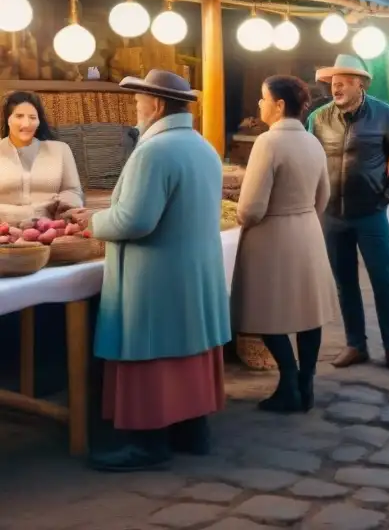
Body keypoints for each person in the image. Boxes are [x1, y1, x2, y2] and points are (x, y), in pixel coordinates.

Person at [82, 70, 230, 472]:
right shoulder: (203, 146)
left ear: (158, 105)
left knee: (153, 353)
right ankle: (191, 432)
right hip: (193, 270)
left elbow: (135, 221)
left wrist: (93, 223)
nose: (135, 110)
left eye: (138, 102)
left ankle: (149, 444)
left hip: (156, 276)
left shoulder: (153, 151)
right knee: (188, 350)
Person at [232, 75, 339, 413]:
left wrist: (240, 217)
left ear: (279, 105)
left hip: (272, 236)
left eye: (263, 99)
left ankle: (289, 380)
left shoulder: (268, 142)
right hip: (307, 232)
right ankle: (305, 384)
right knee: (309, 314)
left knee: (268, 313)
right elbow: (324, 197)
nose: (260, 105)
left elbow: (251, 208)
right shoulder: (313, 142)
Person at [308, 54, 389, 373]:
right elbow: (308, 161)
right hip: (332, 215)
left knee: (383, 281)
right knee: (344, 283)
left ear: (360, 84)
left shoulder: (384, 114)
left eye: (342, 82)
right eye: (332, 82)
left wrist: (386, 196)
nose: (335, 87)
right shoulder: (318, 118)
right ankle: (356, 344)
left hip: (370, 214)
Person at [0, 90, 83, 222]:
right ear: (8, 119)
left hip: (52, 227)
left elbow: (73, 192)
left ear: (39, 121)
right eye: (19, 116)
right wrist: (37, 211)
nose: (26, 124)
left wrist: (64, 205)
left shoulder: (60, 149)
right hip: (5, 228)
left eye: (32, 117)